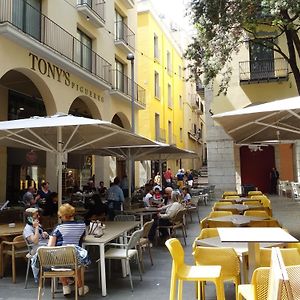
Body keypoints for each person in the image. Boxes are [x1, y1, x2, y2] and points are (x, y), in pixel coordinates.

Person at [48, 203, 89, 296]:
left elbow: (50, 246)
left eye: (60, 216)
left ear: (64, 216)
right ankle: (80, 288)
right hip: (75, 258)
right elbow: (83, 238)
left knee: (59, 257)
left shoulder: (58, 228)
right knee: (77, 261)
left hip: (59, 260)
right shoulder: (82, 226)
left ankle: (65, 287)